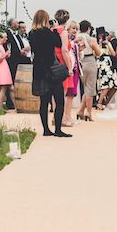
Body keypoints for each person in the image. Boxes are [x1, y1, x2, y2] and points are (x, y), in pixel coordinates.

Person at [29, 9, 71, 138]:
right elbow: (58, 43)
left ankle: (46, 129)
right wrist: (53, 29)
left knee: (44, 102)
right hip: (51, 69)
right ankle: (58, 129)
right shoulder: (48, 32)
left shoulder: (31, 33)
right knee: (59, 101)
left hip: (39, 70)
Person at [76, 20, 102, 122]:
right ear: (88, 29)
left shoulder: (77, 38)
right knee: (90, 89)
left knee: (86, 88)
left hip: (81, 63)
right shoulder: (91, 39)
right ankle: (89, 113)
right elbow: (99, 52)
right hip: (90, 61)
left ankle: (81, 111)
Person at [95, 26, 117, 109]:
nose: (102, 36)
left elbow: (113, 54)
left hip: (109, 63)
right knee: (105, 85)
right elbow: (97, 54)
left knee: (115, 84)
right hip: (101, 64)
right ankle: (99, 102)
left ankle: (106, 102)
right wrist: (100, 44)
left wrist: (108, 44)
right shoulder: (96, 43)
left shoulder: (108, 43)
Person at [62, 20, 80, 127]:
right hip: (69, 68)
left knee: (72, 94)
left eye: (76, 29)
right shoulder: (66, 39)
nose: (75, 31)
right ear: (68, 28)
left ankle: (68, 116)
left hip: (75, 67)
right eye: (73, 28)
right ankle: (65, 117)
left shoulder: (75, 40)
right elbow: (66, 51)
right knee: (68, 94)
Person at [0, 32, 15, 111]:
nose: (7, 39)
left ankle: (15, 106)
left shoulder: (1, 46)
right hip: (1, 68)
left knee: (11, 87)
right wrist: (6, 54)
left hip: (5, 67)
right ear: (2, 38)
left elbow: (2, 57)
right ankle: (0, 107)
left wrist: (6, 55)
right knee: (3, 88)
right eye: (5, 37)